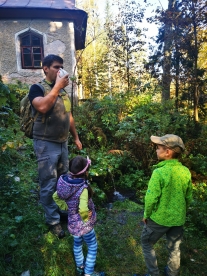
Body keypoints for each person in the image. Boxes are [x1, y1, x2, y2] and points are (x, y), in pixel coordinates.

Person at [28, 54, 82, 238]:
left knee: (63, 181)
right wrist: (57, 86)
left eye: (61, 67)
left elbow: (68, 115)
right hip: (45, 143)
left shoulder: (63, 91)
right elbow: (42, 107)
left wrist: (75, 137)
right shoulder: (37, 88)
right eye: (56, 67)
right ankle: (52, 221)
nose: (60, 71)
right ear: (45, 68)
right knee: (48, 184)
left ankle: (58, 212)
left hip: (62, 142)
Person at [140, 134, 193, 276]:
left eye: (158, 148)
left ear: (168, 152)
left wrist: (146, 215)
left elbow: (151, 198)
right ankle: (172, 273)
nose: (156, 150)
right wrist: (182, 212)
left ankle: (153, 273)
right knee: (174, 248)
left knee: (146, 242)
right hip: (178, 219)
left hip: (160, 219)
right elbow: (188, 197)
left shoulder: (159, 172)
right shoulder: (185, 171)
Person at [53, 156, 105, 276]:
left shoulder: (64, 183)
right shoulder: (83, 188)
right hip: (84, 226)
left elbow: (55, 196)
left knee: (77, 245)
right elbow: (82, 209)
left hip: (72, 223)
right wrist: (86, 218)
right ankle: (88, 273)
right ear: (85, 172)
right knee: (92, 246)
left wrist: (67, 208)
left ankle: (80, 267)